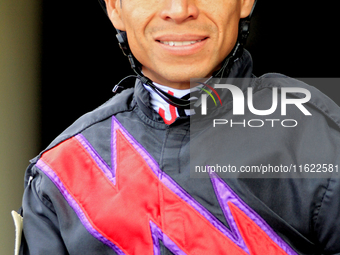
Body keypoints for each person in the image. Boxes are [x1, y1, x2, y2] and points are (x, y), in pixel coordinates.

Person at [13, 0, 340, 254]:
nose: (179, 10)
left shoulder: (318, 139)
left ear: (245, 2)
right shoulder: (59, 172)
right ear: (115, 7)